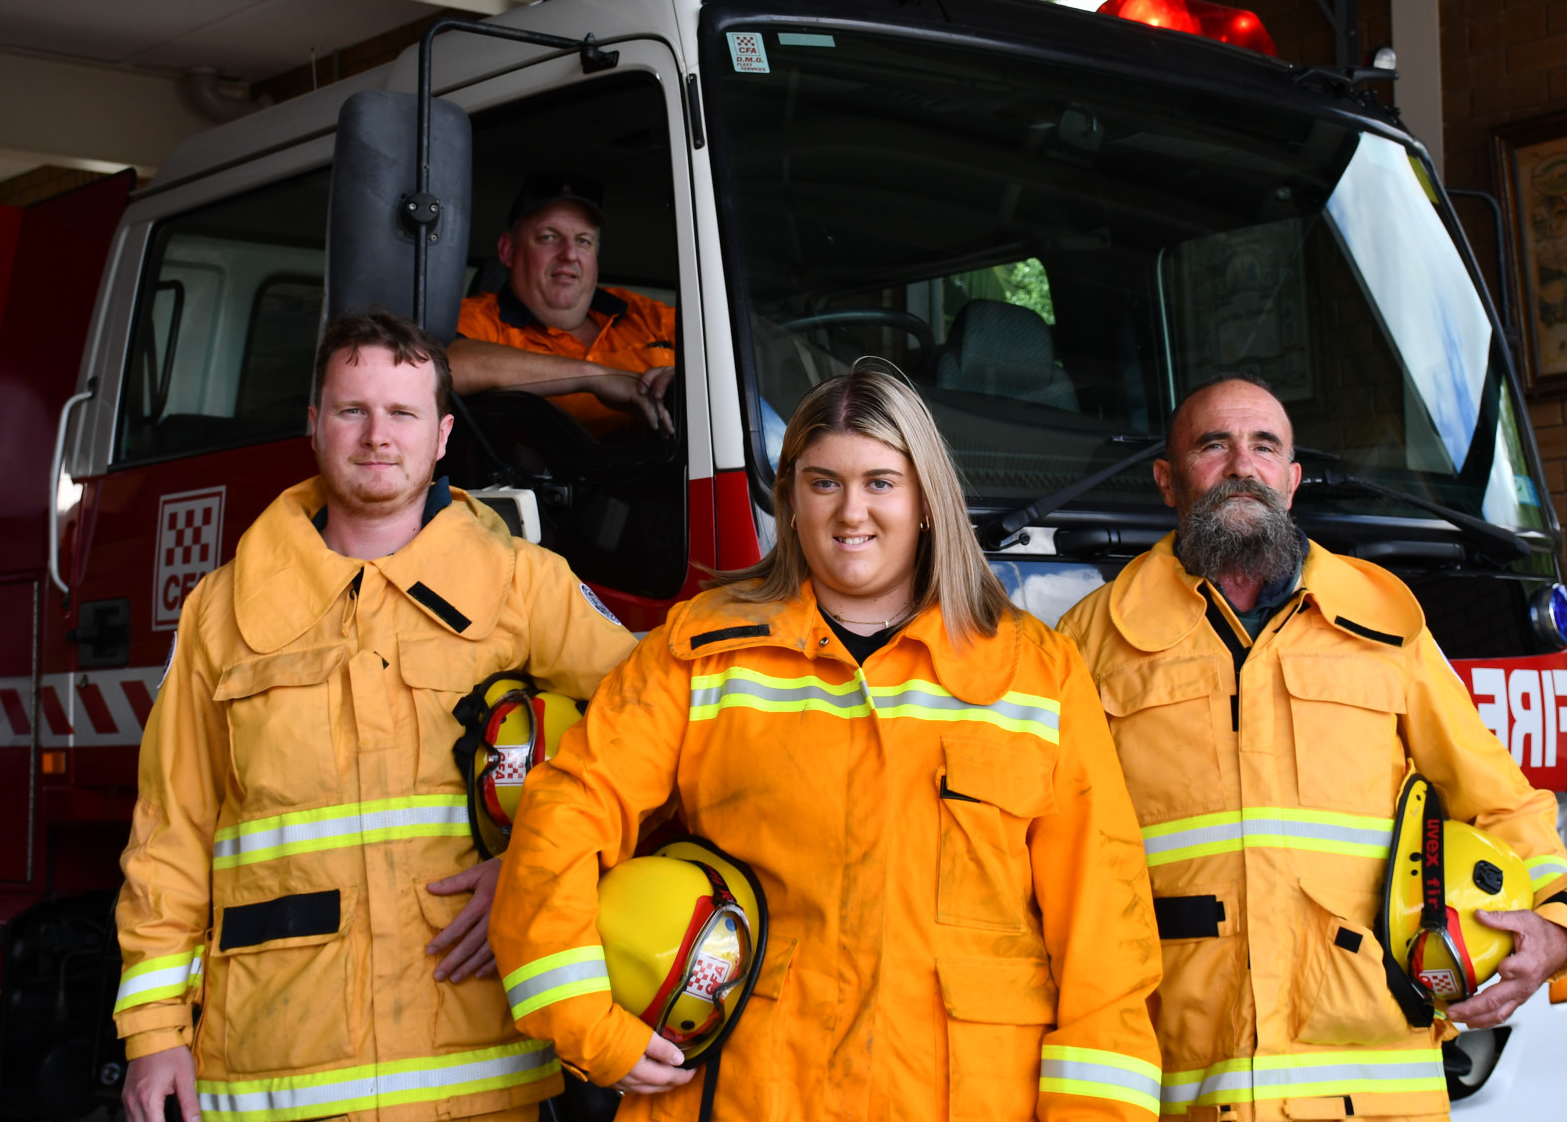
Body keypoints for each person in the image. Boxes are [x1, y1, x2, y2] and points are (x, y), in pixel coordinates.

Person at [486, 367, 1165, 1122]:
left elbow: (1106, 927)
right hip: (746, 1097)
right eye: (824, 483)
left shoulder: (1035, 672)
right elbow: (566, 807)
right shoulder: (706, 648)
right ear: (791, 499)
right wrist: (587, 1024)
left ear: (927, 501)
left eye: (881, 482)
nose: (852, 512)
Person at [114, 309, 642, 1122]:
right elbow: (171, 832)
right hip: (279, 1071)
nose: (376, 435)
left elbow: (651, 729)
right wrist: (153, 1034)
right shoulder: (219, 614)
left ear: (441, 436)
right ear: (314, 425)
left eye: (402, 413)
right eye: (352, 410)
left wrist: (538, 861)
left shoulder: (523, 584)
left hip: (475, 1078)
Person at [1056, 373, 1567, 1120]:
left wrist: (1557, 925)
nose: (1243, 464)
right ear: (1167, 480)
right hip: (1183, 1084)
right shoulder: (1089, 641)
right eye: (1215, 444)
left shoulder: (1386, 624)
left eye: (1264, 445)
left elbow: (1499, 796)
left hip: (1371, 1092)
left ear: (1292, 480)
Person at [450, 173, 678, 437]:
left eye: (583, 241)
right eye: (549, 237)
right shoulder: (480, 319)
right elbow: (434, 368)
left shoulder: (646, 314)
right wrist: (594, 378)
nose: (569, 254)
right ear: (508, 250)